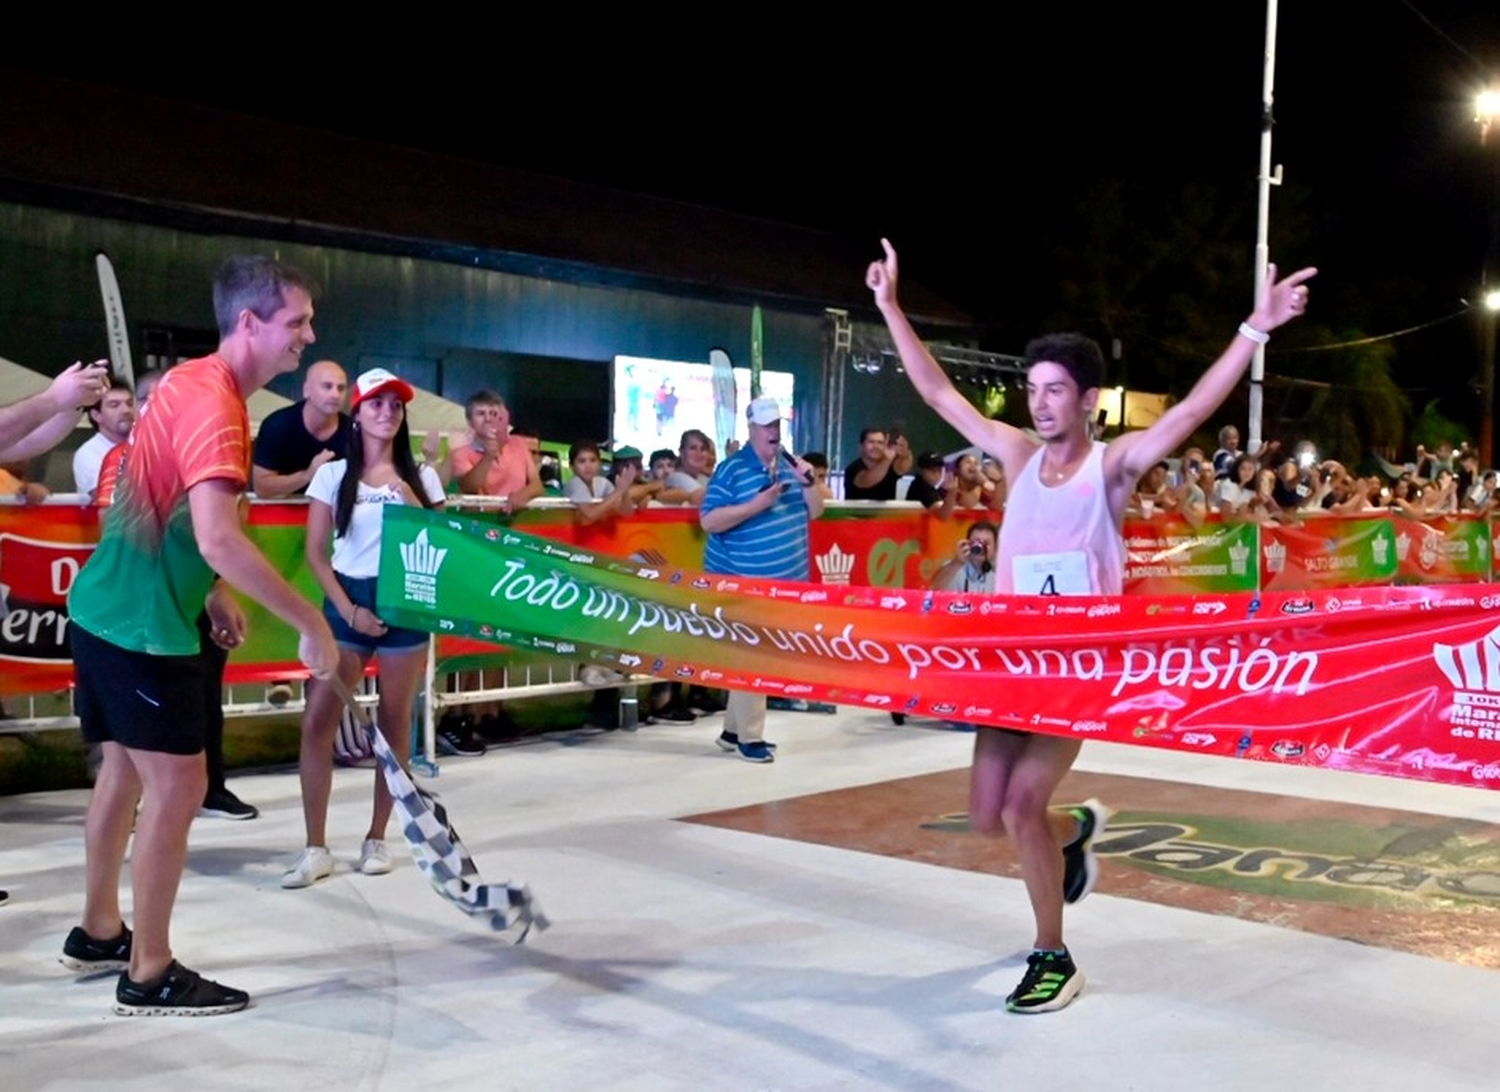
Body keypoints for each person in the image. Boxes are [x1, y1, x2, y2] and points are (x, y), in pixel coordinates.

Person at [868, 237, 1314, 1014]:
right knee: (984, 816)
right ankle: (1073, 829)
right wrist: (889, 308)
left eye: (1054, 391)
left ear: (1086, 400)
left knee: (1015, 808)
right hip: (1009, 665)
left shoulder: (1113, 467)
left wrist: (1256, 328)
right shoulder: (1011, 453)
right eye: (1033, 389)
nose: (1039, 403)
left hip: (1076, 673)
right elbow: (941, 396)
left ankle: (1053, 955)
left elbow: (1193, 409)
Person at [62, 255, 338, 1016]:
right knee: (178, 785)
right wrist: (311, 622)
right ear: (249, 322)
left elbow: (176, 510)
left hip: (103, 610)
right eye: (297, 322)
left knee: (120, 773)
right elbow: (218, 535)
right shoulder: (218, 406)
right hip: (143, 629)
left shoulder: (188, 380)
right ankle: (148, 972)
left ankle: (99, 931)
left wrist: (211, 590)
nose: (308, 337)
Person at [283, 368, 446, 890]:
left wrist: (411, 501)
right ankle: (314, 846)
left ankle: (378, 837)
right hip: (348, 599)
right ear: (357, 413)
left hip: (405, 601)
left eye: (395, 405)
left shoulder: (421, 476)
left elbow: (442, 545)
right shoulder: (332, 475)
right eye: (376, 404)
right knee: (317, 720)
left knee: (395, 722)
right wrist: (349, 611)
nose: (387, 412)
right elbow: (315, 553)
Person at [96, 370, 260, 822]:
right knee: (132, 757)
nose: (150, 406)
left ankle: (212, 790)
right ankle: (137, 814)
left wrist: (216, 588)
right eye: (146, 398)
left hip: (190, 607)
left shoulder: (206, 451)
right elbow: (120, 538)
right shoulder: (125, 459)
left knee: (204, 703)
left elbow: (221, 534)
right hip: (137, 620)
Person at [699, 396, 823, 762]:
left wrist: (808, 483)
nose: (773, 431)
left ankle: (732, 731)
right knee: (754, 658)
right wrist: (759, 504)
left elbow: (815, 512)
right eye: (766, 425)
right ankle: (749, 739)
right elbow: (709, 520)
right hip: (741, 581)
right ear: (752, 428)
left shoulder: (791, 466)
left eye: (777, 425)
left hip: (784, 584)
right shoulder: (731, 469)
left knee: (755, 657)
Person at [250, 360, 352, 498]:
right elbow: (262, 488)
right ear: (307, 390)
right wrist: (308, 475)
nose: (335, 394)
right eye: (327, 387)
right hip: (283, 512)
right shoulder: (277, 425)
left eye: (341, 388)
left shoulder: (353, 431)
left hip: (333, 512)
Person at [445, 389, 541, 513]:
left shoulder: (518, 443)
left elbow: (537, 486)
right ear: (470, 422)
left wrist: (521, 496)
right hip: (481, 524)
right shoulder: (461, 453)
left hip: (518, 523)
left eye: (493, 414)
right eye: (481, 414)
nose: (488, 419)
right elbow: (469, 488)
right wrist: (489, 456)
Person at [72, 378, 136, 497]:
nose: (126, 410)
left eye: (129, 403)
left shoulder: (149, 444)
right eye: (114, 405)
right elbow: (109, 498)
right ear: (96, 415)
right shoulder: (88, 453)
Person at [564, 441, 637, 524]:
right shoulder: (575, 483)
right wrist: (619, 491)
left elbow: (627, 513)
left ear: (599, 463)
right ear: (572, 466)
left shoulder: (602, 483)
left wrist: (625, 491)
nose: (588, 466)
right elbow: (588, 516)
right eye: (582, 461)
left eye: (593, 460)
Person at [931, 521, 998, 594]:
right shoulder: (953, 568)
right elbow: (934, 588)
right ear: (968, 544)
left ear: (995, 548)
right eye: (977, 542)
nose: (981, 547)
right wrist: (957, 562)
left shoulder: (997, 576)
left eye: (986, 543)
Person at [842, 427, 900, 500]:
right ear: (861, 446)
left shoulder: (890, 466)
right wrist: (887, 460)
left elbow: (904, 466)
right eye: (871, 442)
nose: (876, 446)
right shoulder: (853, 468)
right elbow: (866, 481)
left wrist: (905, 454)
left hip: (888, 511)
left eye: (880, 442)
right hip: (857, 511)